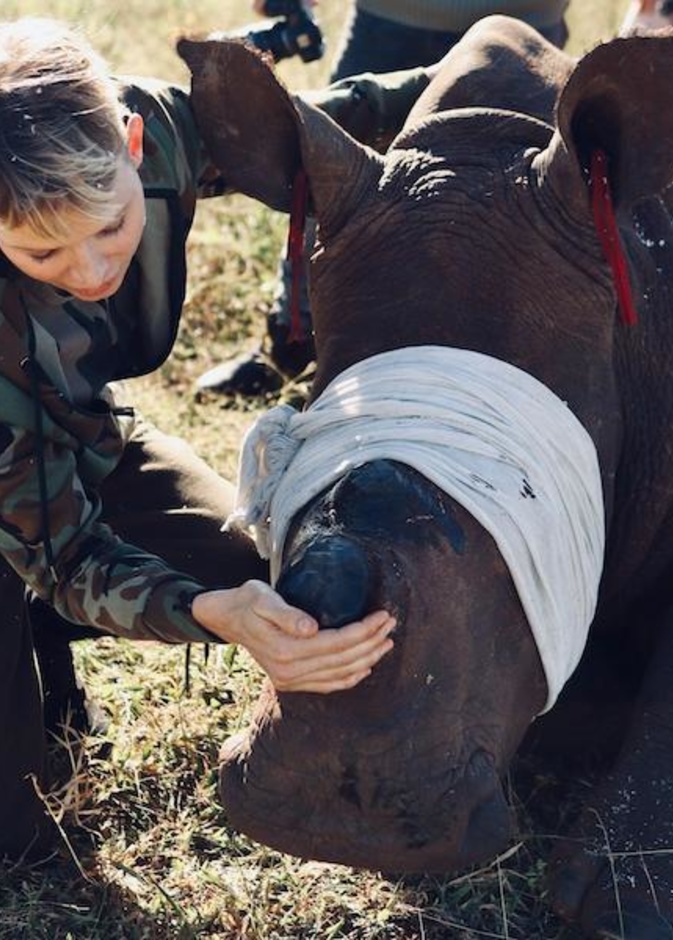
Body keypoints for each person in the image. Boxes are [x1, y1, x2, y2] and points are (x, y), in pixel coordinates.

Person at [0, 16, 399, 863]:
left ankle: (40, 633)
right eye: (42, 253)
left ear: (133, 143)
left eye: (109, 225)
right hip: (18, 475)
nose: (90, 271)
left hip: (82, 436)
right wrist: (204, 612)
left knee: (275, 579)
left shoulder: (160, 130)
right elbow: (65, 558)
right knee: (18, 836)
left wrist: (479, 89)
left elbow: (316, 130)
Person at [197, 0, 570, 396]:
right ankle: (293, 344)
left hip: (522, 29)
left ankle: (486, 366)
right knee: (325, 175)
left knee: (509, 205)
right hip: (388, 19)